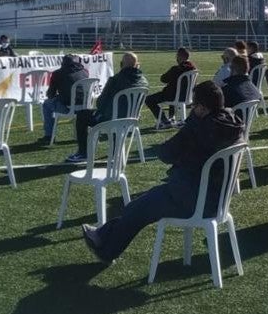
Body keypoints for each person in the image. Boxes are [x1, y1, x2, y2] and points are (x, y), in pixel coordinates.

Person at [80, 81, 243, 263]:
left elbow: (166, 154)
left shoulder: (199, 128)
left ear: (203, 108)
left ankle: (106, 250)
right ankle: (102, 237)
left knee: (139, 208)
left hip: (195, 199)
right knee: (140, 204)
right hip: (219, 198)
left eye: (195, 105)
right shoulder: (234, 124)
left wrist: (190, 127)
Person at [66, 52, 148, 163]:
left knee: (82, 115)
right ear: (137, 64)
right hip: (132, 120)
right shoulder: (144, 81)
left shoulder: (115, 80)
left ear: (121, 64)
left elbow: (100, 103)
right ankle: (115, 152)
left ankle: (83, 153)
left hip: (113, 120)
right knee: (116, 113)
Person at [39, 54, 88, 143]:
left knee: (46, 104)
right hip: (86, 107)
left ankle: (49, 136)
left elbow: (50, 95)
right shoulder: (85, 72)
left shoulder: (57, 73)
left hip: (68, 108)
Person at [146, 48, 198, 130]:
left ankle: (165, 120)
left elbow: (163, 79)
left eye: (177, 56)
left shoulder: (176, 69)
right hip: (187, 96)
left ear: (180, 57)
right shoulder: (194, 68)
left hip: (173, 96)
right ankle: (171, 117)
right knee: (176, 90)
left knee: (149, 99)